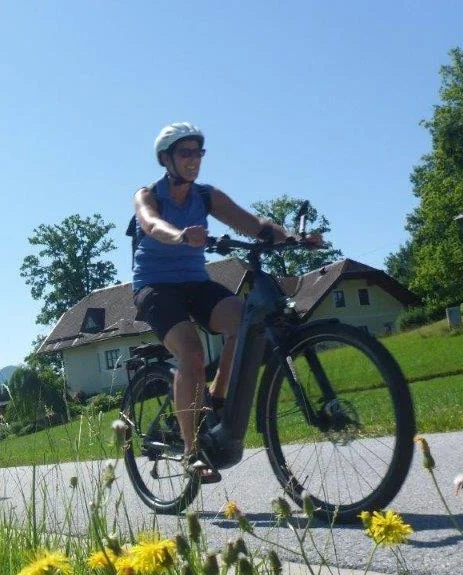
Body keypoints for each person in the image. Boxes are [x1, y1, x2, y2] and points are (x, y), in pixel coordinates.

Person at [132, 122, 322, 481]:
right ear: (165, 159)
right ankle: (191, 453)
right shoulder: (149, 195)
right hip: (155, 286)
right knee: (191, 352)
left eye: (197, 153)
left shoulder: (207, 196)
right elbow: (151, 224)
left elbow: (255, 226)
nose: (193, 160)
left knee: (247, 321)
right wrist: (181, 235)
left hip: (195, 282)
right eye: (184, 153)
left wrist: (294, 238)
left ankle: (215, 401)